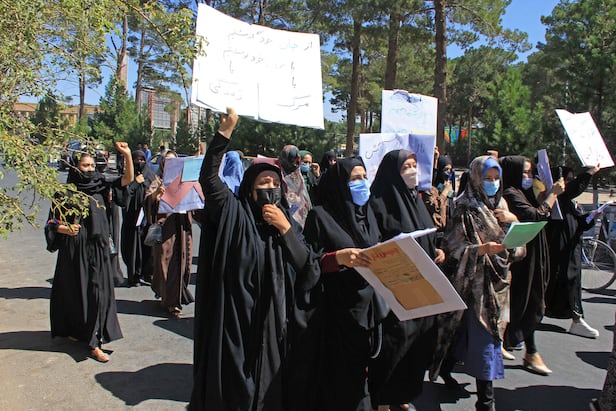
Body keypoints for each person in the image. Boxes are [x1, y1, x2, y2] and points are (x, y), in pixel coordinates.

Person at [190, 108, 321, 411]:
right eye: (262, 184)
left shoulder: (287, 224)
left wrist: (285, 229)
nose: (269, 189)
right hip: (236, 323)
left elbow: (307, 266)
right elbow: (209, 179)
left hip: (274, 323)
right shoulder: (234, 214)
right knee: (235, 393)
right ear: (250, 189)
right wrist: (224, 133)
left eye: (274, 184)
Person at [434, 155, 523, 411]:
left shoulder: (502, 205)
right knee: (487, 340)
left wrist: (514, 221)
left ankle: (447, 366)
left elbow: (518, 248)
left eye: (496, 179)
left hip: (499, 283)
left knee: (462, 334)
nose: (492, 184)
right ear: (475, 179)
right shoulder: (464, 207)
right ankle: (486, 402)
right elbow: (452, 247)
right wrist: (481, 250)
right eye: (487, 179)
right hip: (474, 286)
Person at [303, 156, 388, 410]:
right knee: (339, 383)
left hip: (368, 310)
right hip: (336, 314)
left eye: (364, 177)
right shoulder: (320, 216)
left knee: (361, 380)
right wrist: (337, 259)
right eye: (355, 179)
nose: (362, 183)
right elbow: (307, 264)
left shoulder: (368, 213)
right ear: (340, 184)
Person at [44, 142, 134, 363]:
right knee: (75, 292)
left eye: (92, 165)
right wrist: (64, 228)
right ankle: (78, 331)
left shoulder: (101, 186)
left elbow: (127, 180)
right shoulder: (65, 193)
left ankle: (95, 342)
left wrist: (127, 155)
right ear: (76, 167)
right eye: (85, 165)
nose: (90, 169)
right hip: (73, 250)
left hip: (97, 249)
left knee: (98, 293)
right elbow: (51, 222)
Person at [368, 149, 443, 410]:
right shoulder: (378, 203)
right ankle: (382, 400)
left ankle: (402, 394)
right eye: (405, 167)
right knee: (395, 345)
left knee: (417, 345)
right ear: (392, 173)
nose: (412, 172)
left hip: (421, 287)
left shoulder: (415, 200)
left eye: (414, 166)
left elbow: (426, 235)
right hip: (395, 290)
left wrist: (436, 251)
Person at [500, 155, 565, 375]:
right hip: (521, 258)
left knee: (528, 300)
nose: (529, 177)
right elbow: (534, 215)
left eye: (531, 172)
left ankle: (521, 347)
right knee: (525, 300)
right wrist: (553, 195)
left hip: (534, 253)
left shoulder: (523, 192)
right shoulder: (510, 193)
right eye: (525, 172)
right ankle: (530, 350)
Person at [545, 165, 601, 337]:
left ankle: (576, 319)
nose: (570, 183)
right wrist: (589, 173)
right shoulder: (555, 200)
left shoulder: (569, 204)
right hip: (558, 253)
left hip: (571, 251)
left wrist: (592, 217)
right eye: (567, 179)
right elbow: (572, 189)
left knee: (571, 285)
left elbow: (578, 224)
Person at [143, 150, 194, 318]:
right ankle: (171, 302)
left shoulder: (185, 181)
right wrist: (157, 195)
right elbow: (148, 201)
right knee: (166, 263)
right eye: (168, 161)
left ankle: (176, 295)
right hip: (166, 230)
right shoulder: (158, 181)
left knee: (183, 262)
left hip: (182, 228)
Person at [121, 150, 156, 287]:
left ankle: (148, 274)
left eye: (142, 160)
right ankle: (134, 276)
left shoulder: (151, 175)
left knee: (148, 248)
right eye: (137, 160)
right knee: (133, 248)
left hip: (146, 219)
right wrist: (135, 183)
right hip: (131, 219)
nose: (139, 162)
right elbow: (124, 195)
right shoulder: (128, 176)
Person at [421, 148, 455, 244]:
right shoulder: (430, 187)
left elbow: (451, 206)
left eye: (450, 170)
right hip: (433, 234)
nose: (448, 172)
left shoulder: (445, 186)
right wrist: (444, 193)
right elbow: (434, 206)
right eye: (446, 169)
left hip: (446, 234)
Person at [278, 144, 312, 227]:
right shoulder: (278, 176)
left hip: (306, 218)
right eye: (292, 159)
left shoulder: (298, 174)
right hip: (288, 220)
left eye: (297, 160)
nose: (295, 163)